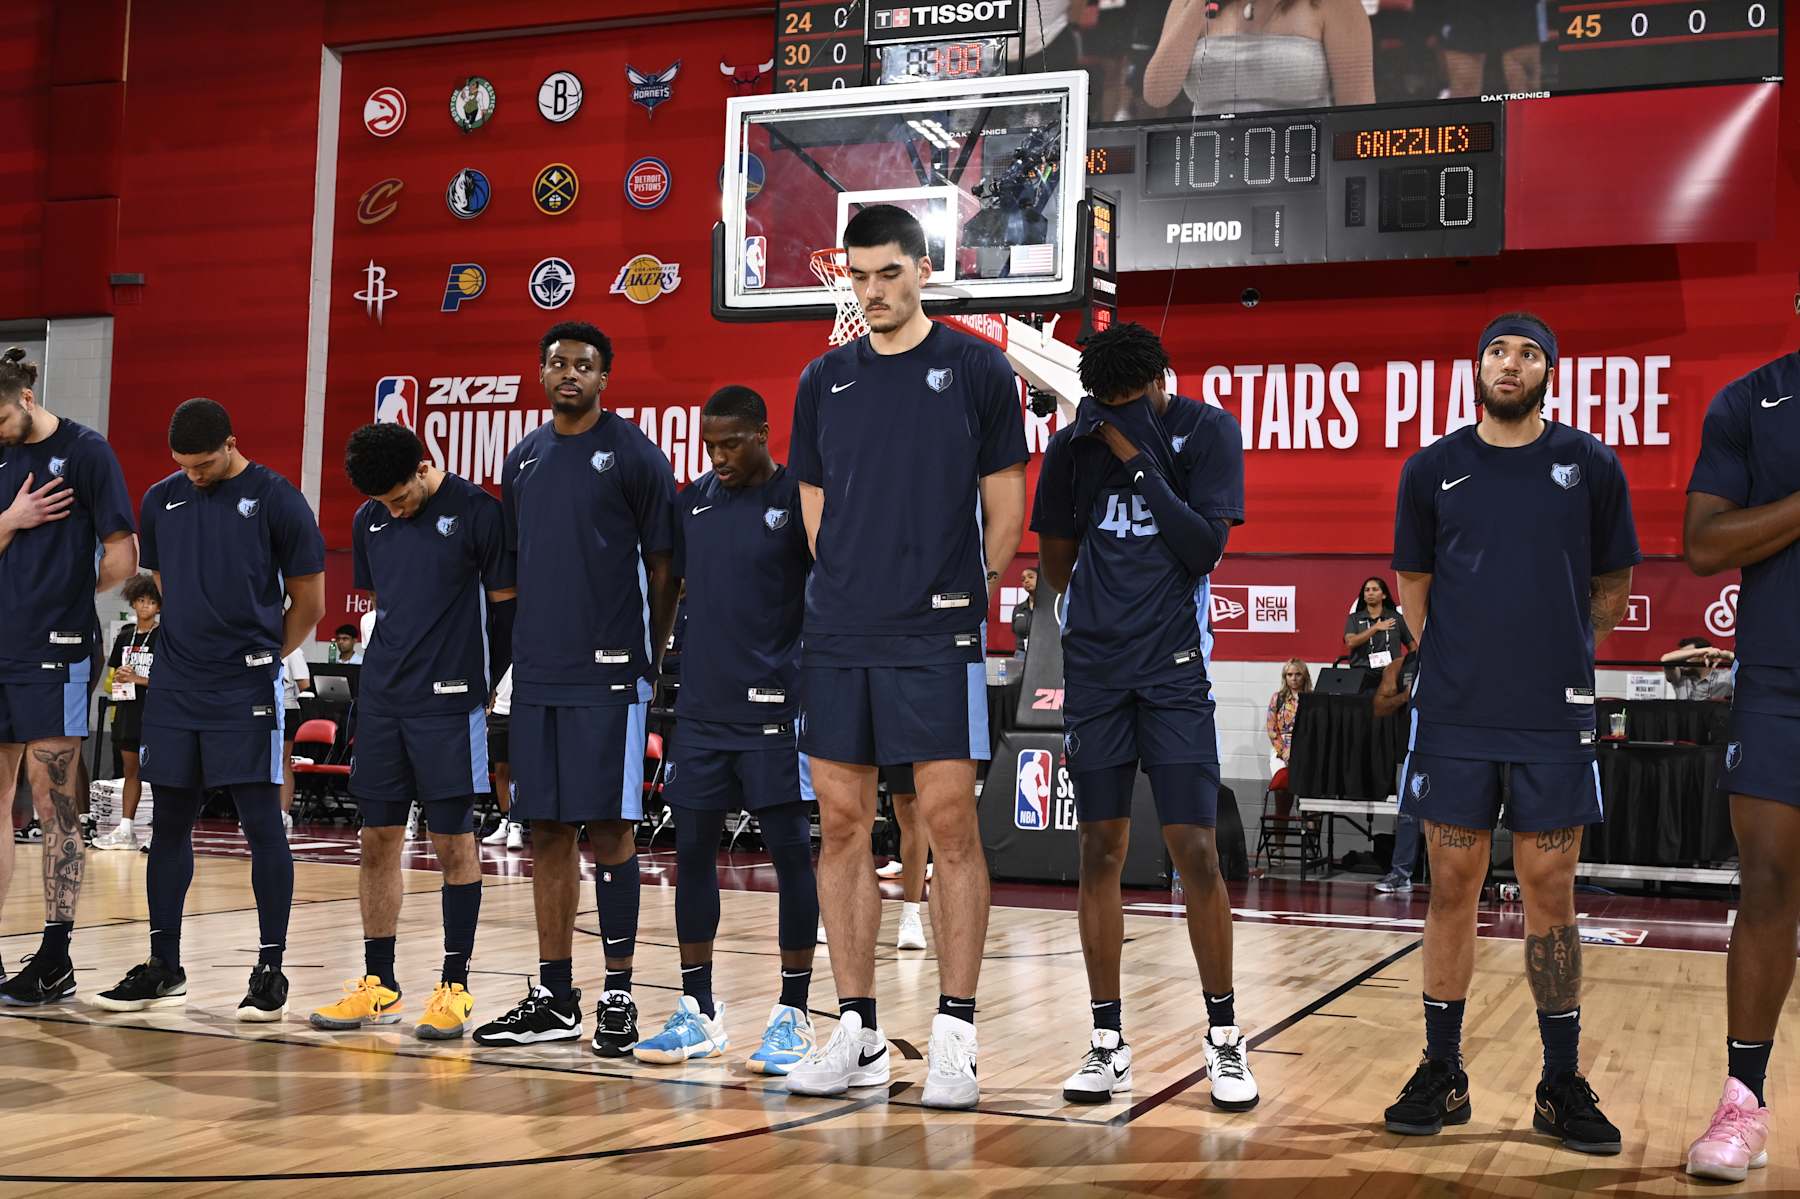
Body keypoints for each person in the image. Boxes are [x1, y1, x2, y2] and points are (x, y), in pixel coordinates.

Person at [782, 204, 1027, 1109]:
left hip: (938, 630)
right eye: (860, 276)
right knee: (842, 824)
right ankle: (856, 1030)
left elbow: (1006, 509)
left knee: (950, 821)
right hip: (841, 630)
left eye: (889, 273)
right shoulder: (822, 379)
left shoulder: (976, 369)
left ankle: (956, 1031)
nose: (873, 291)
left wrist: (964, 593)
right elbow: (815, 509)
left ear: (925, 270)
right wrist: (849, 583)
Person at [1383, 313, 1639, 1154]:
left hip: (1552, 712)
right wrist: (1458, 657)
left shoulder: (1592, 466)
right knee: (1451, 883)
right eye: (1497, 349)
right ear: (1477, 367)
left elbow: (1612, 581)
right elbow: (1412, 582)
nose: (1510, 362)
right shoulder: (1433, 468)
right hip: (1455, 711)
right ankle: (1442, 1069)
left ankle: (1560, 1081)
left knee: (1549, 888)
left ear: (1549, 372)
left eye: (1528, 352)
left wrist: (1561, 646)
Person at [1032, 321, 1255, 1110]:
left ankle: (1224, 1040)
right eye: (1109, 406)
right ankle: (1105, 1041)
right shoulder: (1070, 448)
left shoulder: (1206, 432)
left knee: (1195, 847)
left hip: (1174, 669)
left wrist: (1135, 459)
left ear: (1163, 380)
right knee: (1100, 848)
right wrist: (1103, 459)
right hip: (1096, 671)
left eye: (1134, 401)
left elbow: (1202, 549)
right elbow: (1056, 565)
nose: (1119, 416)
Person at [472, 322, 677, 1051]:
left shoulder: (634, 457)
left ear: (604, 378)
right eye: (556, 362)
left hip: (612, 673)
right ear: (540, 371)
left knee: (611, 829)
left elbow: (664, 568)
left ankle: (618, 993)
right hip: (539, 674)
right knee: (548, 831)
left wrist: (647, 655)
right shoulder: (522, 460)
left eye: (583, 365)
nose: (568, 374)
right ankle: (556, 995)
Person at [94, 398, 325, 1019]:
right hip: (176, 683)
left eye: (203, 463)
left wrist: (263, 653)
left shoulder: (277, 498)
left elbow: (311, 601)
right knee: (168, 822)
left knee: (259, 823)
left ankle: (270, 968)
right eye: (184, 466)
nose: (193, 474)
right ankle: (164, 964)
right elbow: (164, 584)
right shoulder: (161, 498)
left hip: (244, 684)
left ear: (231, 441)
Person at [632, 385, 822, 1074]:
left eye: (732, 444)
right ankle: (698, 1010)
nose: (720, 457)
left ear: (762, 433)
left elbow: (827, 592)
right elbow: (668, 591)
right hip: (703, 713)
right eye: (710, 445)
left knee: (792, 855)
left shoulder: (799, 498)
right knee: (693, 855)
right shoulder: (694, 503)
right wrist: (649, 668)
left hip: (775, 707)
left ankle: (792, 1012)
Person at [309, 421, 514, 1041]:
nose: (393, 510)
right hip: (384, 702)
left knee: (455, 846)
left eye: (400, 497)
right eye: (383, 503)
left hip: (450, 704)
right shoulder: (370, 520)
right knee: (377, 841)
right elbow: (389, 608)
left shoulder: (479, 513)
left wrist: (481, 685)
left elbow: (506, 609)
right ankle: (379, 984)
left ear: (425, 467)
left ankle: (454, 988)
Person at [1679, 347, 1800, 1181]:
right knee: (1766, 882)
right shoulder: (1749, 402)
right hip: (1781, 677)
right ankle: (1742, 1103)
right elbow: (1704, 543)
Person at [0, 346, 138, 1001]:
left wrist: (63, 591)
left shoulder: (87, 452)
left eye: (0, 417)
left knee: (54, 804)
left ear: (26, 398)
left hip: (54, 649)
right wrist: (11, 521)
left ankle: (55, 957)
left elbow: (123, 553)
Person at [1143, 0, 1375, 116]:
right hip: (1209, 168)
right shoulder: (1188, 3)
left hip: (1304, 169)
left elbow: (1358, 111)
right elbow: (1157, 94)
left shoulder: (1333, 4)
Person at [94, 576, 163, 852]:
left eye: (151, 602)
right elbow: (112, 678)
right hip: (127, 710)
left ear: (158, 606)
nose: (144, 606)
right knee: (130, 771)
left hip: (155, 711)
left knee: (158, 773)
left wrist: (139, 679)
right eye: (140, 601)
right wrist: (121, 677)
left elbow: (169, 679)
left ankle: (161, 832)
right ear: (133, 602)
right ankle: (126, 829)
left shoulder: (164, 636)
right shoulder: (125, 634)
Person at [872, 766, 930, 951]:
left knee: (910, 804)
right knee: (849, 806)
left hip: (903, 737)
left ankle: (911, 914)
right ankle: (844, 915)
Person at [479, 666, 524, 851]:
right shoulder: (499, 642)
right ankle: (505, 820)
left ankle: (516, 823)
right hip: (499, 711)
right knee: (500, 769)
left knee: (520, 770)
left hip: (523, 709)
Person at [1265, 658, 1310, 824]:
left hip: (1305, 750)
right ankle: (1279, 847)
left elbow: (1313, 730)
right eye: (1290, 674)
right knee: (1282, 798)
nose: (1294, 678)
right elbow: (1271, 730)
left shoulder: (1312, 698)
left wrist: (1298, 751)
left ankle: (1310, 843)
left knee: (1310, 800)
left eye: (1298, 674)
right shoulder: (1278, 698)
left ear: (1304, 676)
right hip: (1281, 750)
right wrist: (1284, 752)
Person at [277, 644, 311, 836]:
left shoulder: (294, 650)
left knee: (282, 761)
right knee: (262, 760)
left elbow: (304, 683)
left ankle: (283, 812)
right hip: (260, 707)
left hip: (287, 707)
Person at [1344, 576, 1413, 670]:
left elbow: (1413, 647)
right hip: (1361, 669)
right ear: (1363, 596)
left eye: (1375, 589)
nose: (1370, 593)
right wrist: (1375, 628)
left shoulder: (1396, 618)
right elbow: (1350, 642)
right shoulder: (1354, 618)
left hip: (1391, 670)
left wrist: (1406, 666)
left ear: (1384, 595)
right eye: (1367, 590)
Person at [1661, 637, 1735, 703]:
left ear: (1703, 656)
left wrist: (1725, 655)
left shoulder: (1726, 677)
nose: (1683, 660)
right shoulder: (1679, 677)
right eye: (1684, 655)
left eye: (1690, 655)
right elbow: (1665, 660)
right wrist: (1703, 650)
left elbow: (1744, 662)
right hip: (1685, 718)